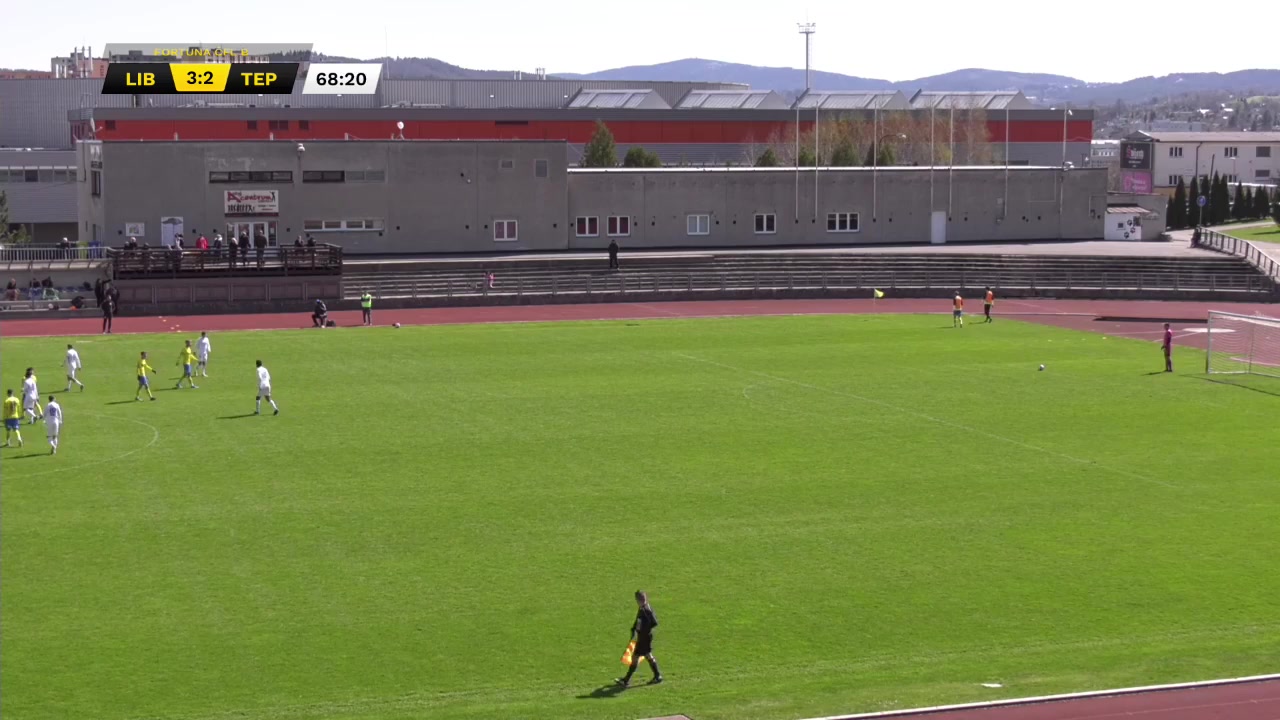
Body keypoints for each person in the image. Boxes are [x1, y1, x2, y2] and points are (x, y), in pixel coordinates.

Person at [616, 590, 663, 687]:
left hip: (644, 638)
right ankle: (657, 676)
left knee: (636, 657)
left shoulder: (646, 610)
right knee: (646, 655)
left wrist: (642, 630)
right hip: (644, 637)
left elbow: (654, 623)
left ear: (639, 600)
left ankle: (626, 680)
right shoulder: (644, 608)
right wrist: (634, 629)